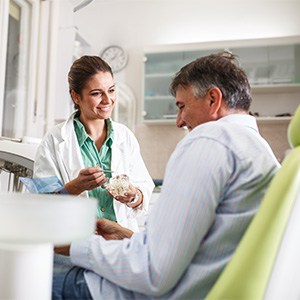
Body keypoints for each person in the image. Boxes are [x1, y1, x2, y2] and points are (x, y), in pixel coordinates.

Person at [52, 51, 280, 299]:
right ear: (77, 97)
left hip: (135, 289)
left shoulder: (210, 141)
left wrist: (76, 245)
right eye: (97, 93)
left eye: (182, 106)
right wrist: (128, 235)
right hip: (163, 271)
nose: (179, 121)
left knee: (21, 270)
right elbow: (197, 247)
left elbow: (152, 271)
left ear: (213, 99)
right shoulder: (258, 149)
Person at [33, 55, 154, 232]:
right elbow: (41, 204)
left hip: (119, 245)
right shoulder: (54, 140)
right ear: (76, 97)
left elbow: (144, 189)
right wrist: (76, 186)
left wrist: (133, 195)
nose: (107, 100)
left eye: (111, 90)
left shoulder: (125, 137)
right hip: (74, 245)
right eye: (96, 93)